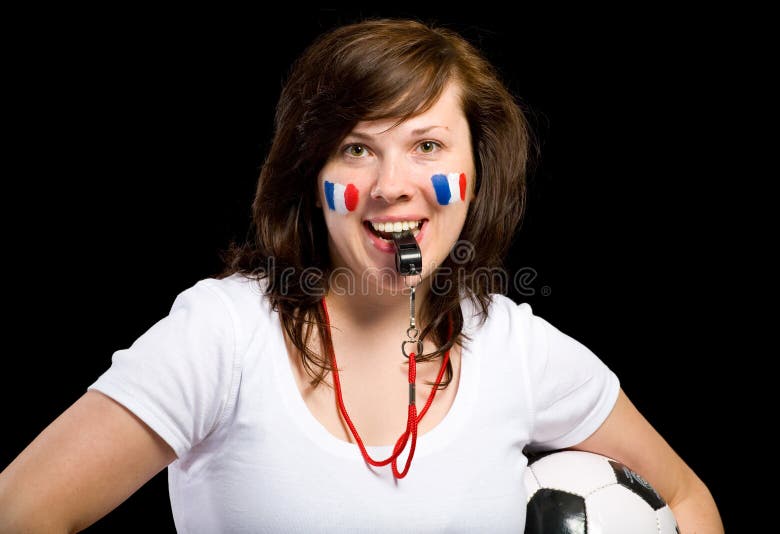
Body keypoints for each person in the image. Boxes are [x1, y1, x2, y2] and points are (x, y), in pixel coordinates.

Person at [0, 18, 723, 533]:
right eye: (355, 148)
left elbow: (687, 499)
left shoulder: (519, 351)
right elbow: (25, 510)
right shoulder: (223, 335)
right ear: (311, 175)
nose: (392, 185)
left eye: (428, 145)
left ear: (476, 174)